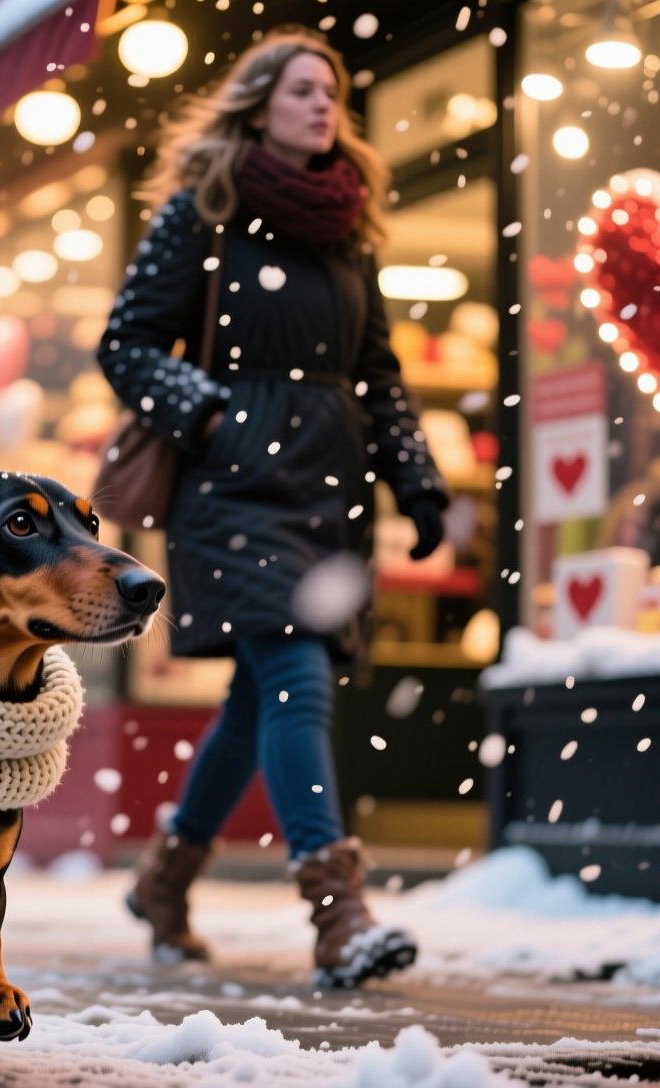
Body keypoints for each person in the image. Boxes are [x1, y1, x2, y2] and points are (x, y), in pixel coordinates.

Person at [96, 29, 451, 987]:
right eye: (301, 89)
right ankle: (339, 915)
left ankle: (165, 880)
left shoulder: (348, 229)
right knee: (296, 675)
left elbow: (376, 374)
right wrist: (212, 416)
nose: (322, 104)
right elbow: (126, 345)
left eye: (330, 92)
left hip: (329, 495)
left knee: (260, 699)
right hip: (232, 492)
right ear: (258, 106)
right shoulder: (201, 212)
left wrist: (416, 478)